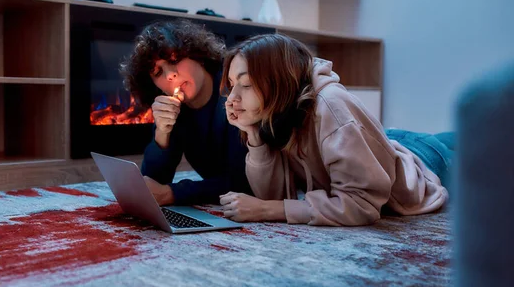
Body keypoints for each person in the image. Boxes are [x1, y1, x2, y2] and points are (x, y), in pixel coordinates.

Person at [220, 33, 454, 226]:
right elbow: (273, 196)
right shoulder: (276, 113)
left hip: (423, 157)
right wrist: (253, 135)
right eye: (232, 85)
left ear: (279, 80)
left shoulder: (330, 105)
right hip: (370, 143)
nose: (232, 98)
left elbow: (360, 204)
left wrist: (267, 210)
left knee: (481, 148)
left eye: (246, 84)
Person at [119, 19, 252, 206]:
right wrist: (162, 133)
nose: (169, 75)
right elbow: (153, 184)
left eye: (174, 60)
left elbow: (244, 182)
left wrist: (173, 193)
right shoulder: (175, 108)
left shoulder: (235, 91)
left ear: (198, 55)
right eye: (158, 73)